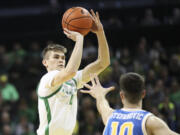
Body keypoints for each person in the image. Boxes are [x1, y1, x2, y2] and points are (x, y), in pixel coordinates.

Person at [36, 9, 110, 135]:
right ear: (45, 62)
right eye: (56, 57)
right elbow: (70, 71)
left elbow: (103, 62)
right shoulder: (47, 79)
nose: (61, 60)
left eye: (63, 58)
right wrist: (79, 39)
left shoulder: (73, 80)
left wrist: (100, 33)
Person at [81, 73, 179, 135]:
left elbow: (102, 105)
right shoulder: (150, 122)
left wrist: (99, 95)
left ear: (122, 95)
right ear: (143, 94)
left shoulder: (110, 116)